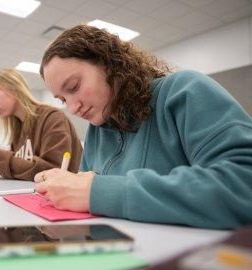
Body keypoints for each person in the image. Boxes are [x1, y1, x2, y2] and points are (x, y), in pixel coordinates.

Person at [34, 25, 252, 229]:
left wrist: (97, 192)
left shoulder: (183, 91)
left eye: (74, 87)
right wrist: (66, 189)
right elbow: (83, 197)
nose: (72, 108)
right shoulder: (97, 129)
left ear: (107, 63)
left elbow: (243, 183)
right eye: (63, 99)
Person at [0, 69, 82, 181]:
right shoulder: (17, 129)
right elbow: (20, 172)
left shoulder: (52, 117)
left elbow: (50, 172)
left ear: (14, 88)